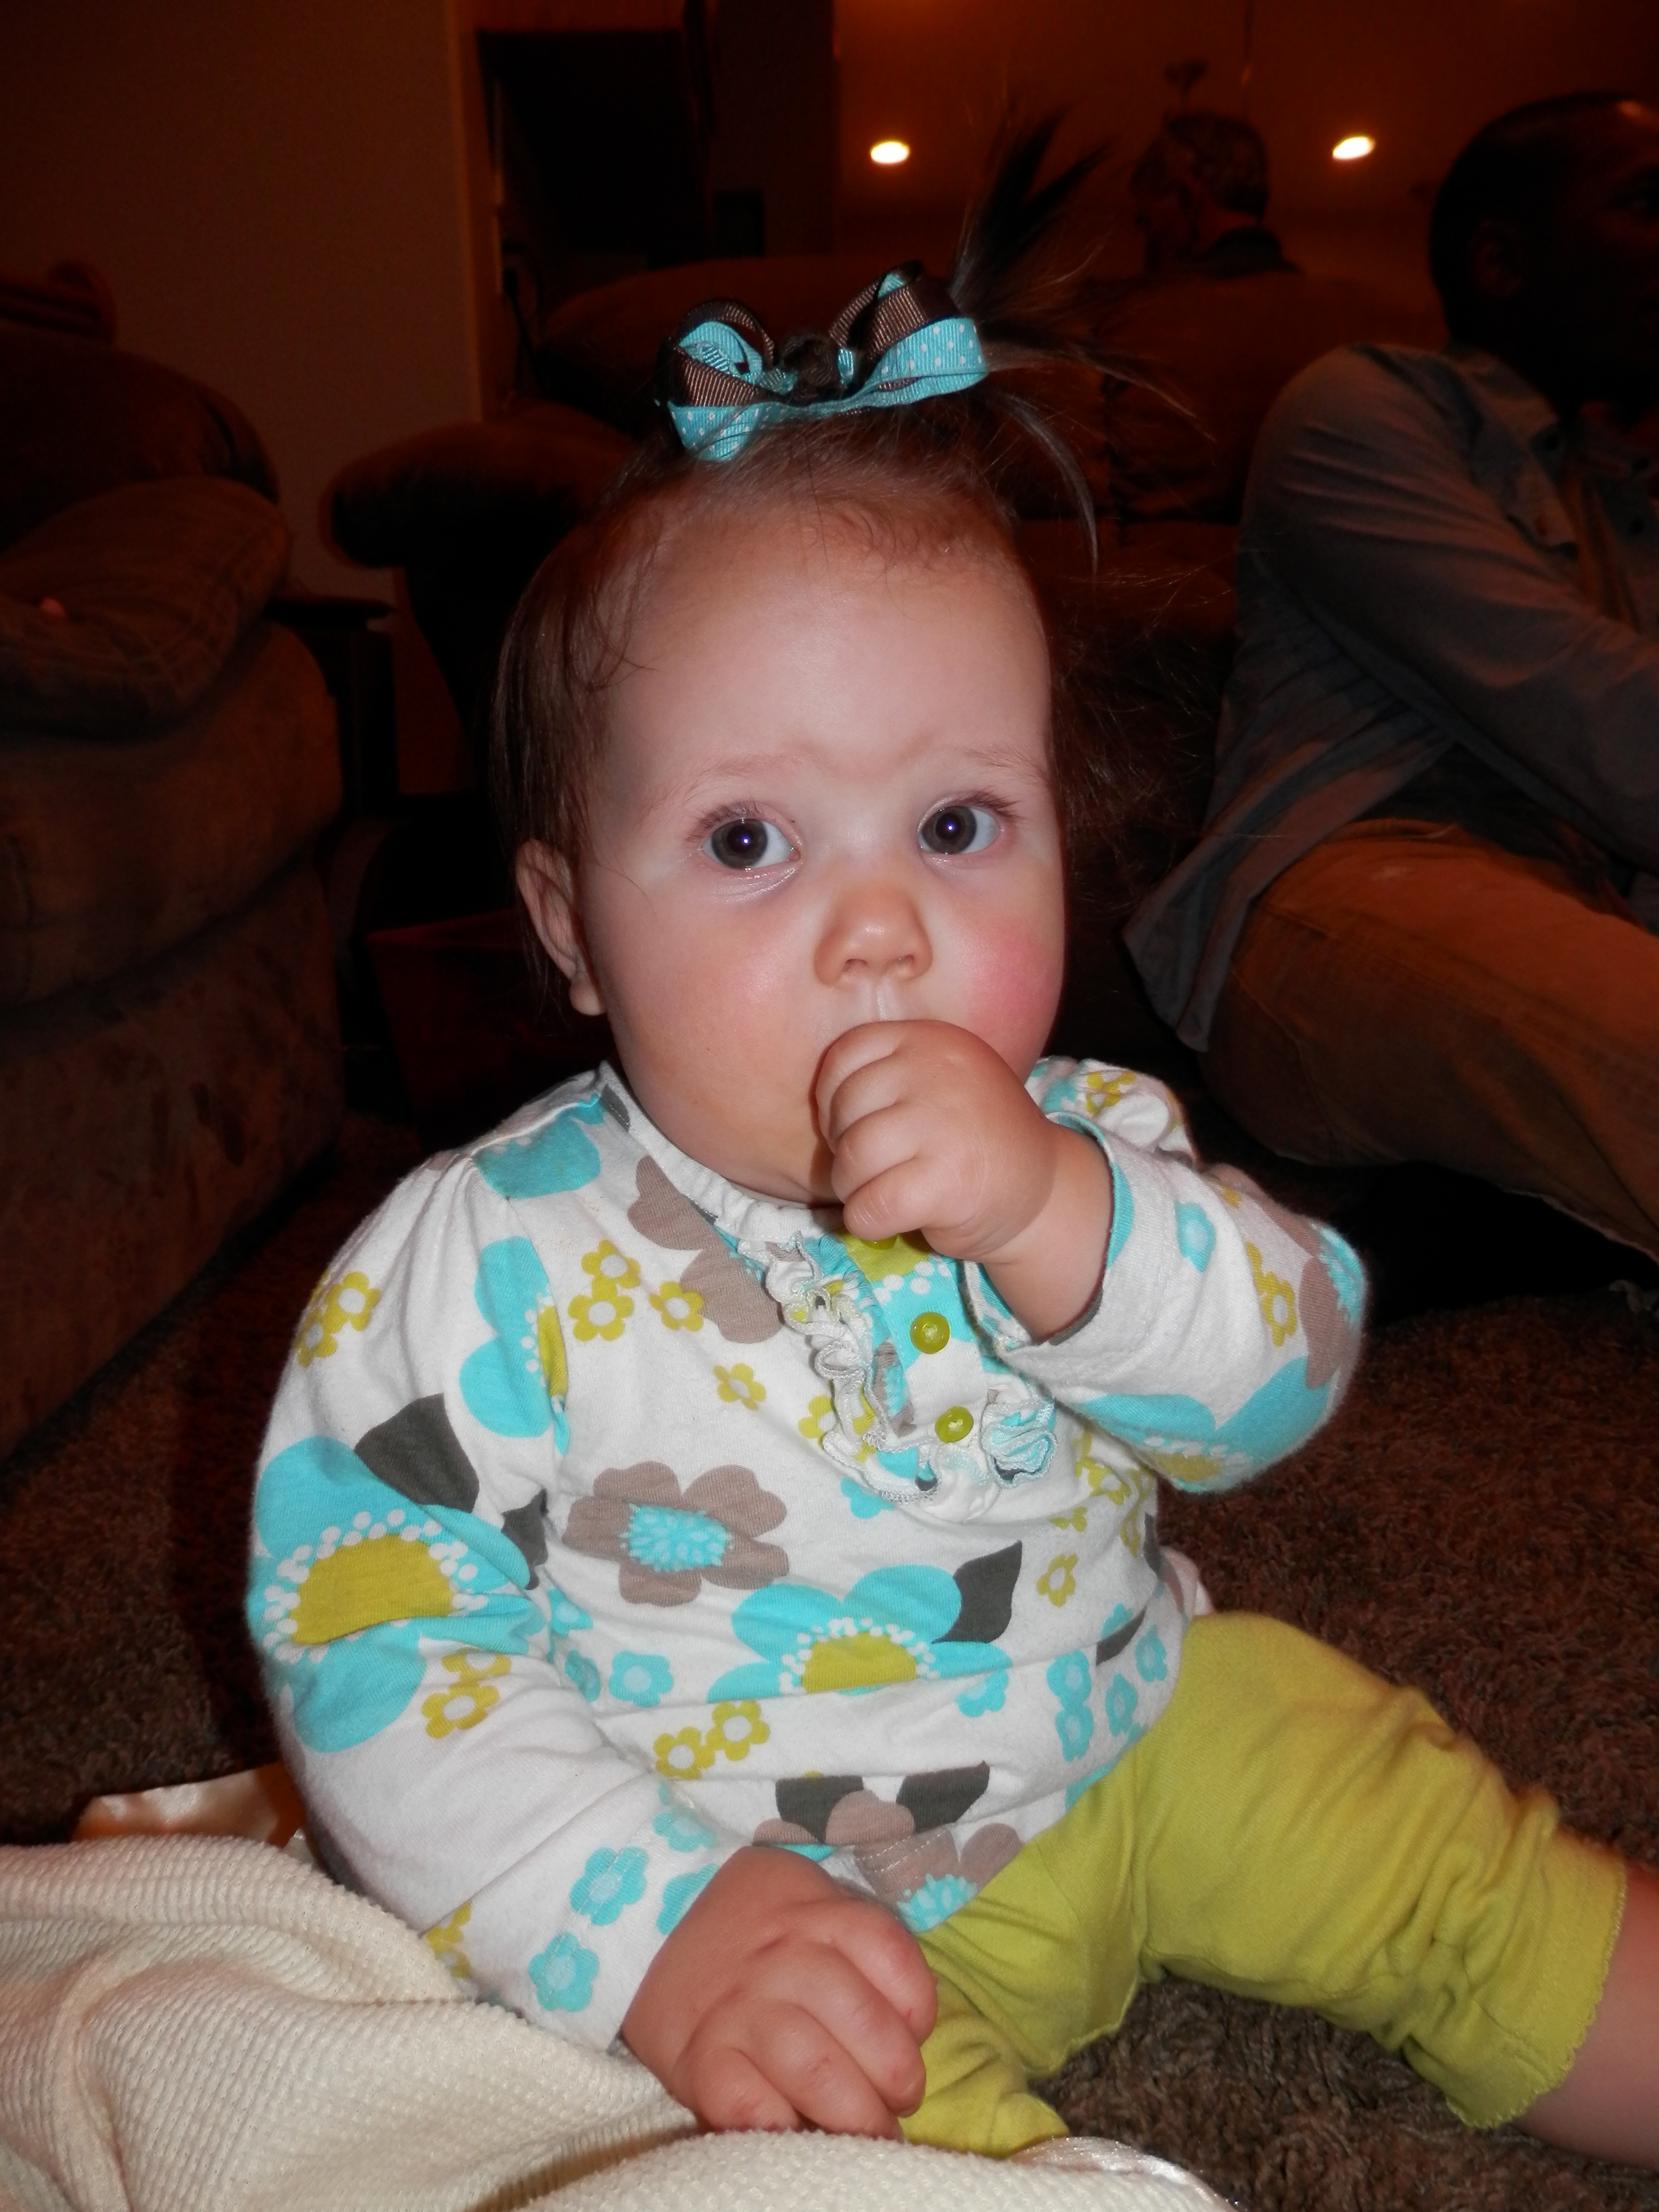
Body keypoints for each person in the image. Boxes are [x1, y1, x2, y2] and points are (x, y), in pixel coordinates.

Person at [248, 129, 1659, 2168]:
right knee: (806, 2156)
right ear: (567, 926)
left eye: (958, 823)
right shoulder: (476, 1262)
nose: (881, 924)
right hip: (772, 1902)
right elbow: (373, 1627)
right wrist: (649, 1926)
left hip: (1133, 1735)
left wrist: (1068, 1221)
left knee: (1424, 1827)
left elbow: (1277, 1376)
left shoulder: (1084, 1136)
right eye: (748, 837)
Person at [1126, 93, 1659, 1257]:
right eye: (1644, 203)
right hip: (1357, 880)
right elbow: (1600, 716)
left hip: (1585, 900)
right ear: (1501, 259)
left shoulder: (1622, 489)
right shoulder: (1358, 404)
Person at [1129, 110, 1296, 279]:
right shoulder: (1301, 286)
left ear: (1186, 196)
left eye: (1147, 223)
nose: (1151, 239)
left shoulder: (1182, 290)